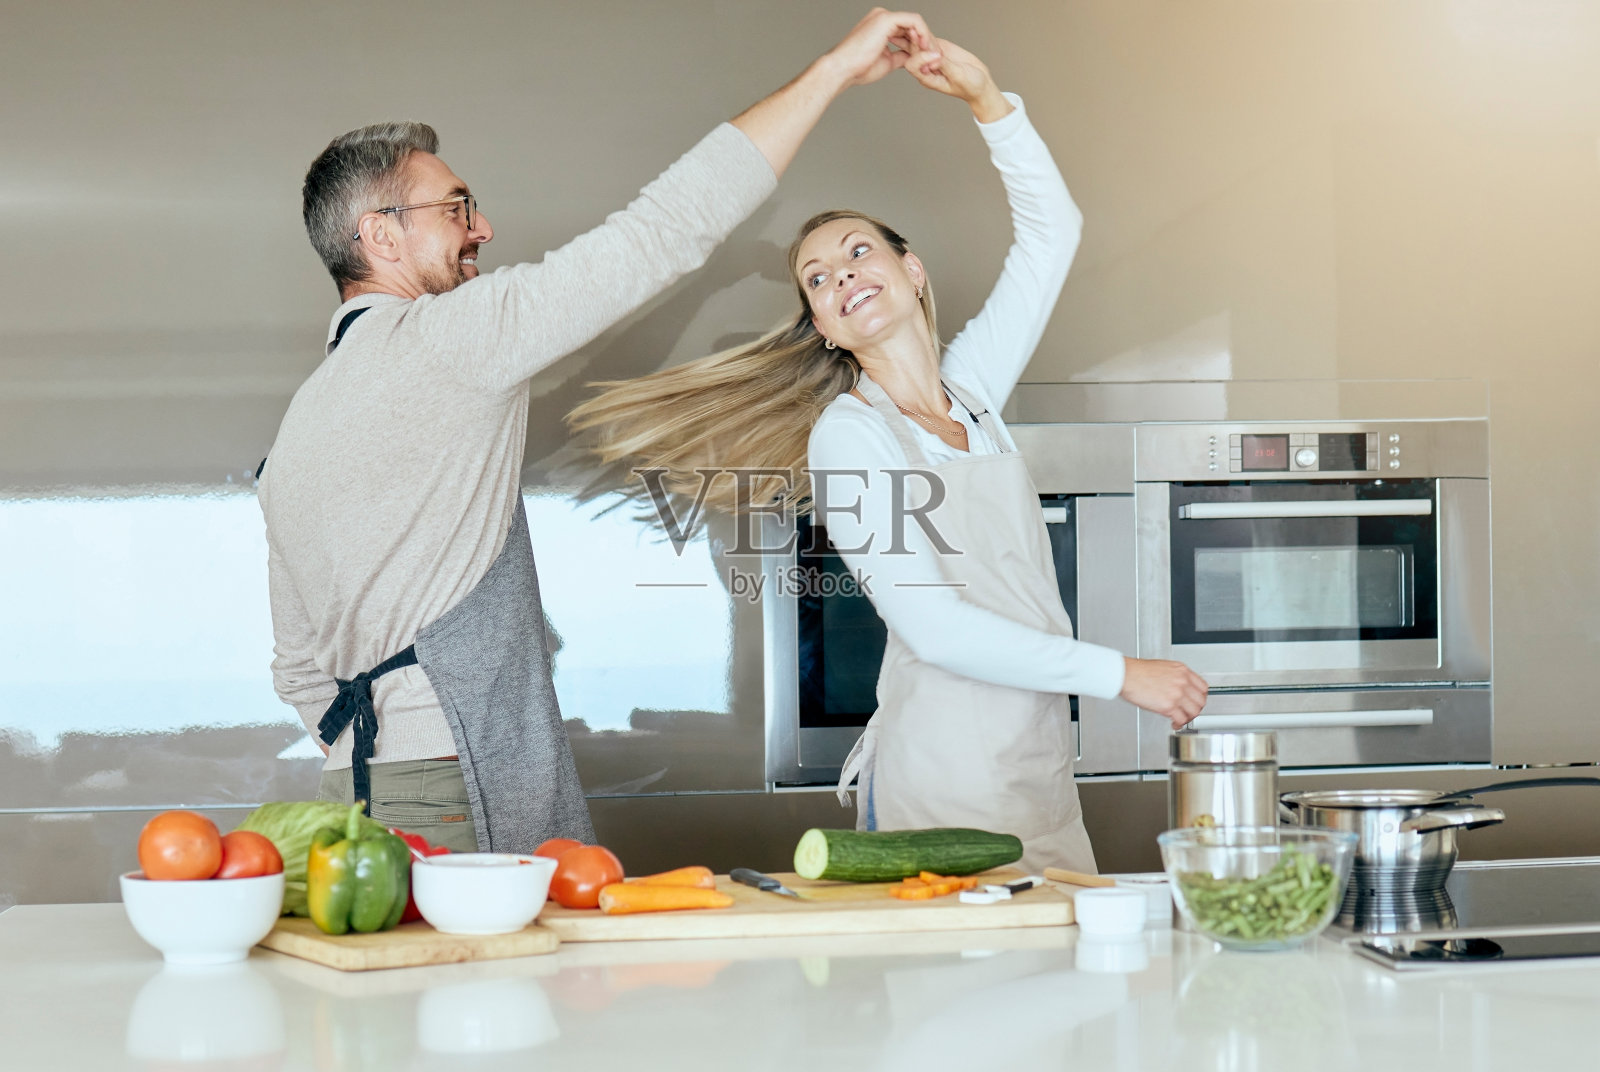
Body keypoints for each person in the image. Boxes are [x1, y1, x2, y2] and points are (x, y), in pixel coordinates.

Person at [260, 9, 942, 853]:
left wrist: (387, 760)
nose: (483, 230)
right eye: (456, 208)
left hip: (351, 800)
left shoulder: (295, 432)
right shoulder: (449, 340)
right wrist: (835, 69)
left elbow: (297, 670)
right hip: (456, 777)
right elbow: (660, 233)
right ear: (380, 235)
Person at [570, 37, 1208, 871]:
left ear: (911, 272)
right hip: (937, 779)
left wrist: (986, 99)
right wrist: (1119, 673)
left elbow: (1054, 235)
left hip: (1037, 769)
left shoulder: (973, 395)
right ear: (824, 326)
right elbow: (935, 628)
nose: (840, 276)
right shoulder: (852, 436)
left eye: (857, 252)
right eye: (817, 279)